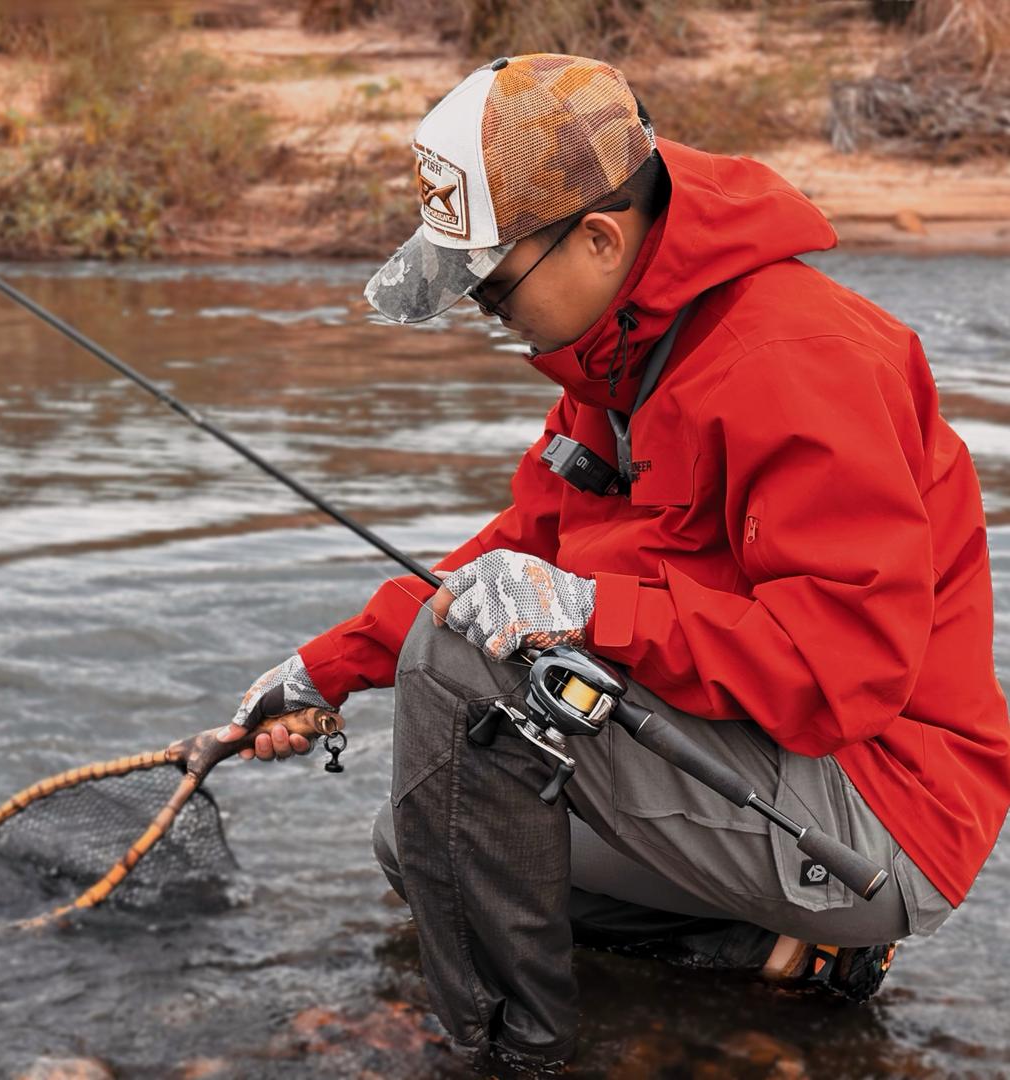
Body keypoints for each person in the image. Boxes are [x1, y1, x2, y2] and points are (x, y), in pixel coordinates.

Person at [217, 54, 1010, 1075]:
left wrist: (595, 613)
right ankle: (778, 958)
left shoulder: (796, 360)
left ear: (600, 237)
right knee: (427, 842)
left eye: (492, 288)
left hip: (879, 825)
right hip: (782, 782)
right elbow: (517, 551)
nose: (483, 314)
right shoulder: (625, 350)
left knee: (463, 679)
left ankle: (509, 1055)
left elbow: (843, 677)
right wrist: (320, 672)